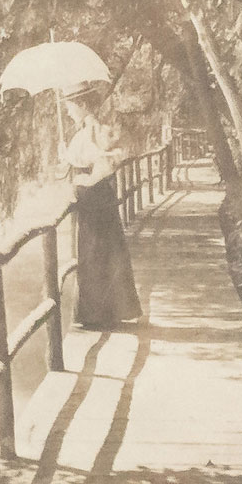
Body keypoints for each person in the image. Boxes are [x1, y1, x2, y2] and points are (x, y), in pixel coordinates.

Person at [62, 84, 142, 329]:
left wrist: (87, 180)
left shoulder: (96, 130)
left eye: (70, 106)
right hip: (93, 198)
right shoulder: (84, 132)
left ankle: (98, 315)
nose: (68, 112)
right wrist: (66, 158)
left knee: (97, 250)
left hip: (95, 196)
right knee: (97, 250)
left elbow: (107, 163)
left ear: (83, 105)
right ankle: (102, 313)